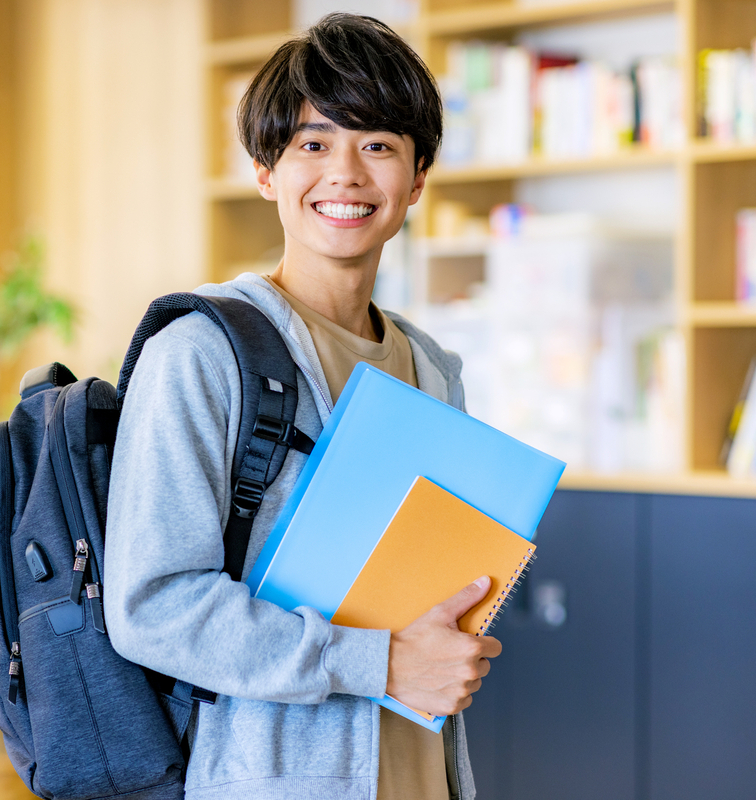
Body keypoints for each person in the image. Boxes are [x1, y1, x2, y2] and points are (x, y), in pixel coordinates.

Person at [104, 14, 499, 800]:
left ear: (418, 177)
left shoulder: (433, 369)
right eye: (313, 145)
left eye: (377, 145)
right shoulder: (201, 353)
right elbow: (153, 605)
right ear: (265, 172)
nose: (345, 174)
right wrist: (380, 663)